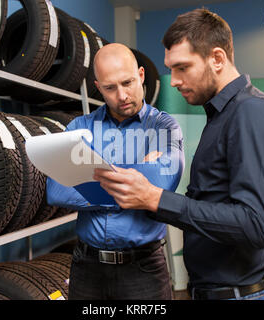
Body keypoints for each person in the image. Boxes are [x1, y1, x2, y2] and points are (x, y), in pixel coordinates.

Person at [93, 9, 264, 300]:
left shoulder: (252, 112)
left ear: (217, 59)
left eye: (182, 68)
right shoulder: (223, 114)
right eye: (170, 68)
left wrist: (154, 198)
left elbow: (255, 224)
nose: (173, 80)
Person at [46, 43, 185, 299]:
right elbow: (56, 189)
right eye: (110, 88)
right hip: (87, 267)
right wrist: (136, 186)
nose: (122, 95)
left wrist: (90, 176)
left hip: (143, 269)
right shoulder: (80, 127)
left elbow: (164, 182)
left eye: (128, 82)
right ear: (98, 88)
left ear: (141, 76)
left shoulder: (164, 125)